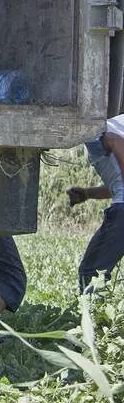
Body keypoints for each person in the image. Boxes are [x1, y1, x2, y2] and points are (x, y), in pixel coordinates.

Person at [66, 114, 124, 291]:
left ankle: (91, 314)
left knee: (92, 272)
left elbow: (112, 140)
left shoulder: (97, 132)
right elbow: (117, 184)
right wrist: (88, 194)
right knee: (92, 271)